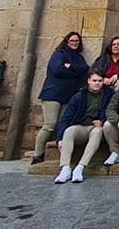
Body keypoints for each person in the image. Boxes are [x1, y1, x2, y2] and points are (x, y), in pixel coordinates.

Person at [32, 32, 88, 164]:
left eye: (77, 41)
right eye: (72, 40)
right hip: (53, 94)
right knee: (50, 125)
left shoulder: (79, 58)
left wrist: (70, 67)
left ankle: (55, 153)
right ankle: (37, 154)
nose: (74, 43)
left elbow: (85, 69)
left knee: (62, 125)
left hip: (68, 95)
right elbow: (58, 70)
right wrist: (75, 72)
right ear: (66, 41)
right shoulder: (59, 54)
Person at [53, 71, 112, 184]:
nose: (97, 83)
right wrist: (60, 138)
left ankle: (80, 167)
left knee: (97, 132)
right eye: (94, 81)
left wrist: (103, 121)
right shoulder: (79, 96)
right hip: (81, 126)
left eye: (100, 81)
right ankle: (65, 168)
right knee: (70, 131)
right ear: (88, 81)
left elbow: (113, 111)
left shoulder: (109, 94)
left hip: (97, 128)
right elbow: (66, 118)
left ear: (103, 82)